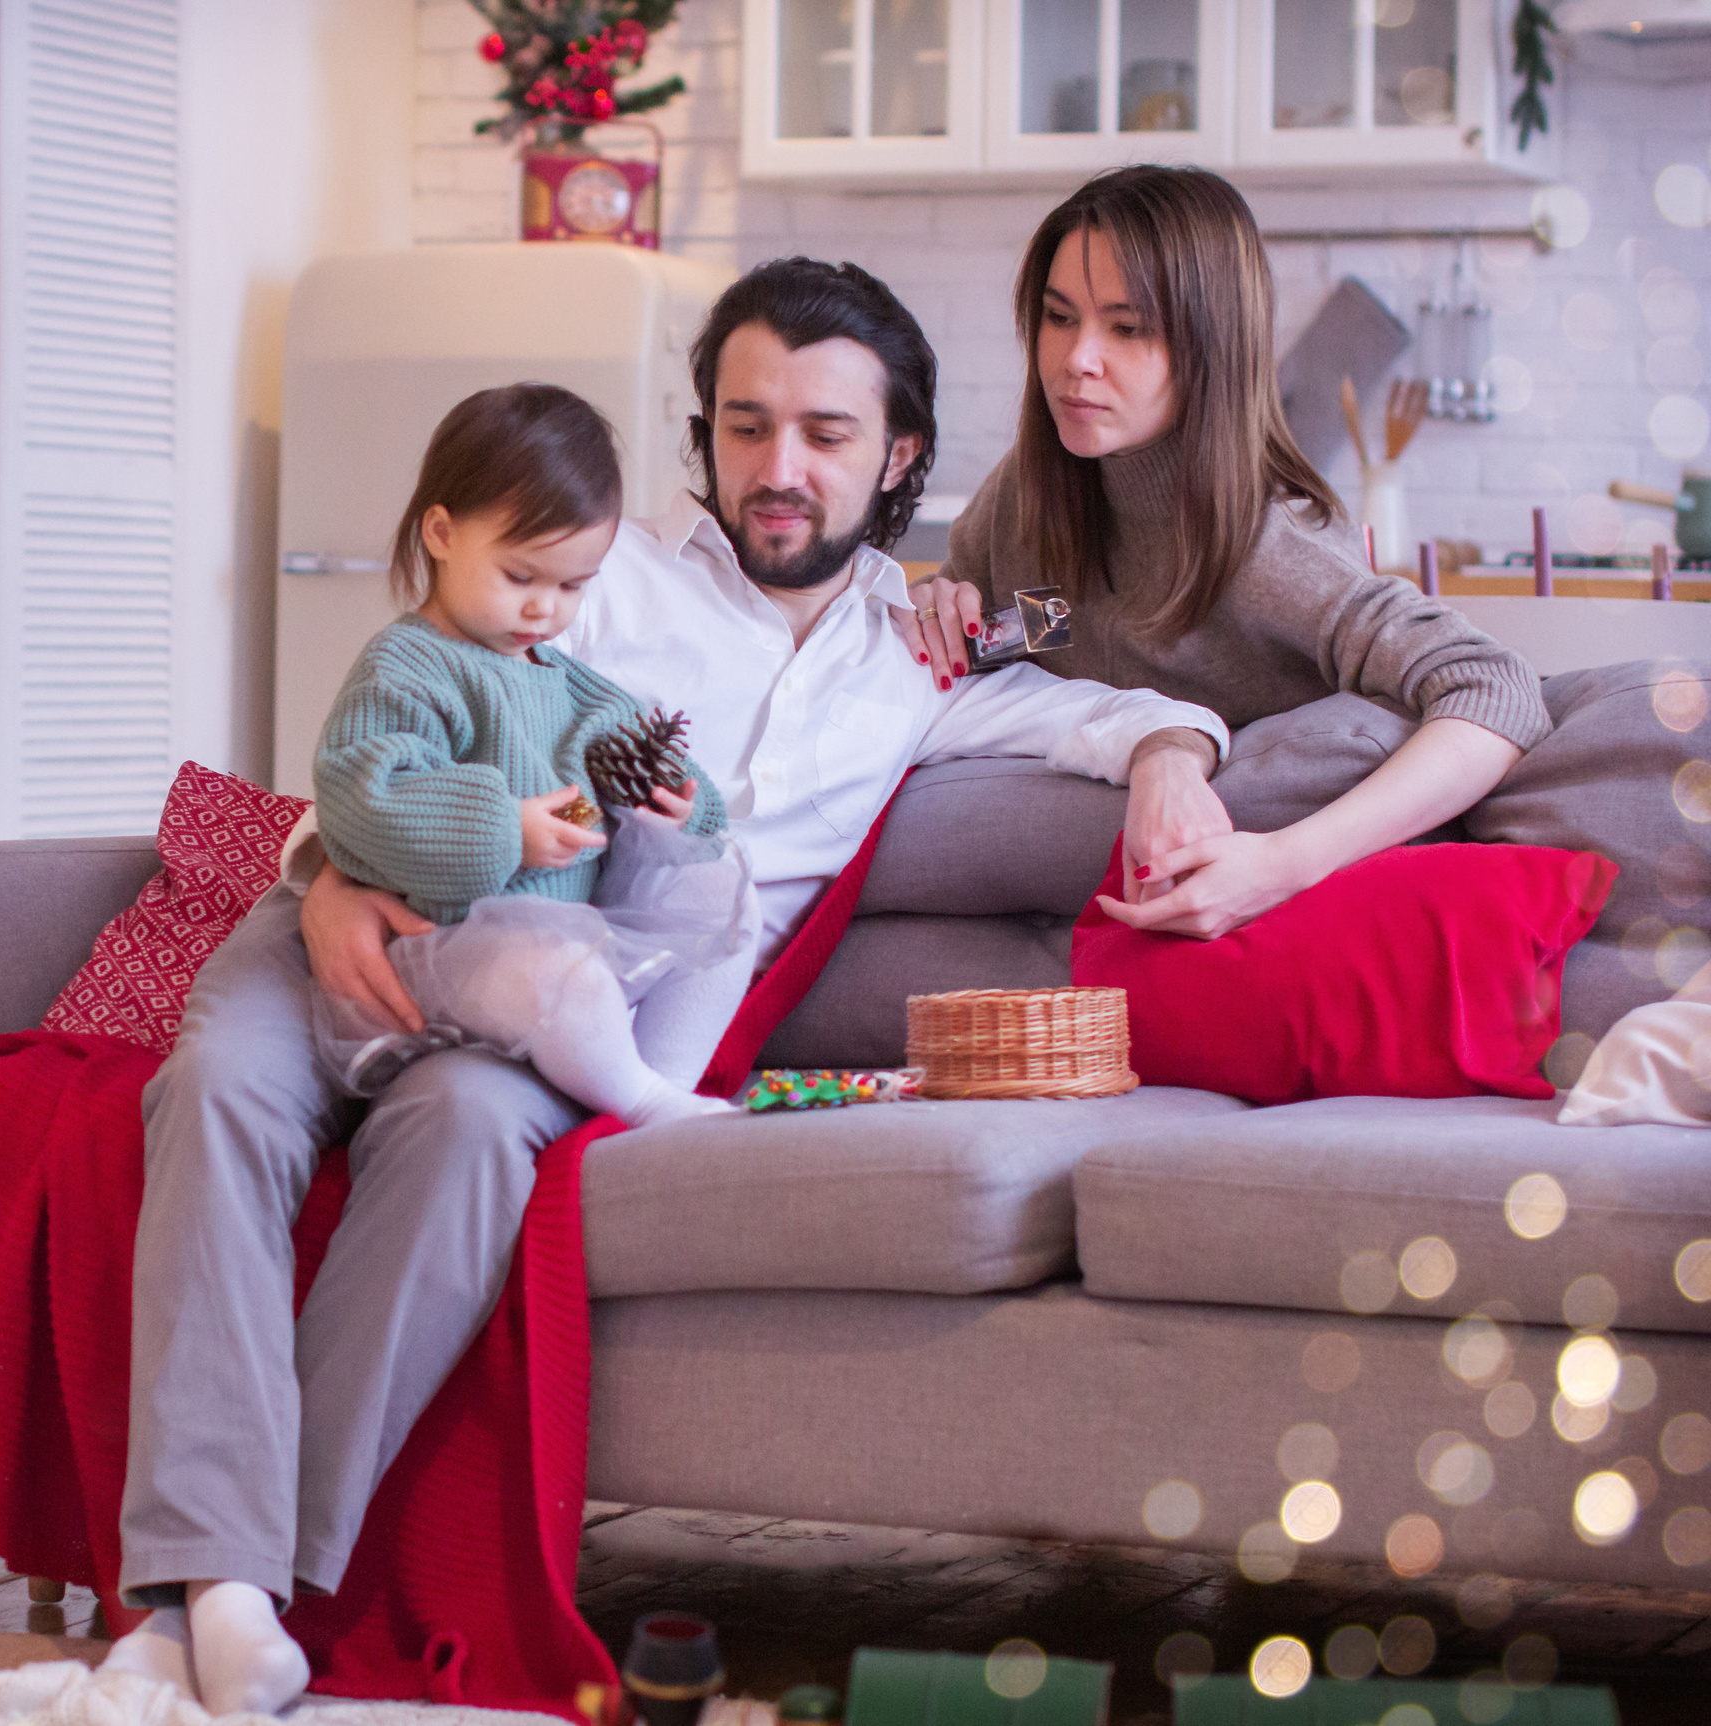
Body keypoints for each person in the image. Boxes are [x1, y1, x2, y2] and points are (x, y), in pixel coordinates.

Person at [115, 256, 1233, 1715]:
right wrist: (324, 873)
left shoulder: (924, 661)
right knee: (210, 1084)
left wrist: (1174, 760)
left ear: (899, 455)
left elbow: (1128, 711)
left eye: (825, 433)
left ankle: (248, 1592)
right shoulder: (600, 573)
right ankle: (211, 1583)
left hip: (553, 1003)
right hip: (364, 912)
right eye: (746, 424)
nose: (779, 469)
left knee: (465, 1138)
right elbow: (391, 724)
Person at [901, 165, 1550, 939]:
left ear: (1212, 346)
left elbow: (1496, 688)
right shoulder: (1026, 494)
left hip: (1259, 932)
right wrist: (939, 609)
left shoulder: (1270, 547)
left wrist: (1286, 861)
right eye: (1059, 316)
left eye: (1127, 328)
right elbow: (1029, 638)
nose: (1077, 358)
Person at [308, 383, 755, 1132]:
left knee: (728, 880)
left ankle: (663, 1079)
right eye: (520, 577)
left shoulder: (568, 684)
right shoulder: (407, 667)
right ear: (441, 534)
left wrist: (683, 804)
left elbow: (663, 772)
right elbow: (362, 798)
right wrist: (505, 830)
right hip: (445, 944)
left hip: (566, 937)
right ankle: (639, 1101)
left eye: (573, 585)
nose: (546, 608)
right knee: (559, 975)